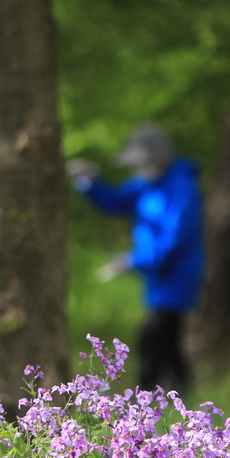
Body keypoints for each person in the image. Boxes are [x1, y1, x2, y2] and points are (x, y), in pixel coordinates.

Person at [67, 124, 203, 392]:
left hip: (177, 275)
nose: (137, 170)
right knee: (168, 344)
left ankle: (142, 406)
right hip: (156, 276)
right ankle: (183, 399)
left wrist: (132, 261)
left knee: (151, 341)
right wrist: (90, 182)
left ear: (159, 159)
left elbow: (172, 239)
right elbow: (115, 202)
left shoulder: (182, 189)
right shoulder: (145, 184)